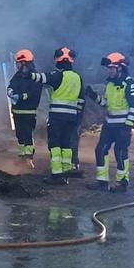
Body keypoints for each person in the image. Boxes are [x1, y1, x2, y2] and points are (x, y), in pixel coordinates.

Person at [25, 47, 82, 184]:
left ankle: (57, 175)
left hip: (57, 117)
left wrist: (28, 73)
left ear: (58, 59)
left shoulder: (58, 75)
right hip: (72, 118)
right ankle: (66, 171)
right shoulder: (77, 77)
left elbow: (42, 78)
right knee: (66, 144)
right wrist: (77, 118)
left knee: (55, 144)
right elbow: (81, 100)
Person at [87, 53, 134, 192]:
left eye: (111, 68)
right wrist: (94, 96)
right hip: (109, 124)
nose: (109, 70)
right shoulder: (110, 84)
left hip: (122, 126)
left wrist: (128, 124)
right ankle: (102, 182)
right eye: (108, 68)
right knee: (100, 150)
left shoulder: (129, 84)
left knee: (120, 152)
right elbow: (106, 104)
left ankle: (122, 183)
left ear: (120, 68)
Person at [7, 49, 42, 161]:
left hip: (29, 112)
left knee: (27, 135)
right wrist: (10, 92)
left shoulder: (35, 77)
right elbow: (11, 85)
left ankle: (28, 157)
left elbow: (34, 93)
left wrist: (21, 96)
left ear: (24, 63)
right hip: (17, 111)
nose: (18, 66)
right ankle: (22, 156)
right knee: (19, 135)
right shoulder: (17, 76)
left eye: (19, 63)